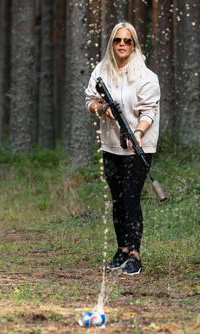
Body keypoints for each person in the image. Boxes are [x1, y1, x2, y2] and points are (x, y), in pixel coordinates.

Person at [85, 22, 160, 275]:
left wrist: (137, 133)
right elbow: (89, 101)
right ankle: (122, 250)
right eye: (118, 40)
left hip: (140, 147)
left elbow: (149, 112)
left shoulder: (147, 76)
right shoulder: (101, 70)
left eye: (128, 41)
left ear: (134, 44)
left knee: (130, 197)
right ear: (112, 43)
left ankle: (135, 255)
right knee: (117, 198)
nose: (122, 45)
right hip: (111, 146)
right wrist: (102, 109)